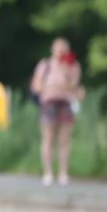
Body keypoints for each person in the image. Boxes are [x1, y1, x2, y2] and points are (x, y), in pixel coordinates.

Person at [30, 37, 81, 186]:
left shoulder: (73, 66)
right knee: (48, 139)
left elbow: (74, 86)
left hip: (66, 103)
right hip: (48, 103)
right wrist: (49, 88)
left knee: (65, 140)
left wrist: (65, 71)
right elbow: (36, 86)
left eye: (63, 48)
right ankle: (48, 172)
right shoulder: (45, 65)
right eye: (58, 48)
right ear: (52, 49)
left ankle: (63, 173)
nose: (61, 51)